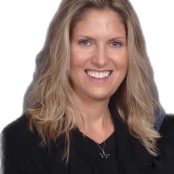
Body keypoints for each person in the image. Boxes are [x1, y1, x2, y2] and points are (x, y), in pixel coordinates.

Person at [1, 0, 174, 173]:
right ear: (63, 49)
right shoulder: (22, 141)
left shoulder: (153, 134)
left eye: (115, 43)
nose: (101, 60)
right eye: (85, 42)